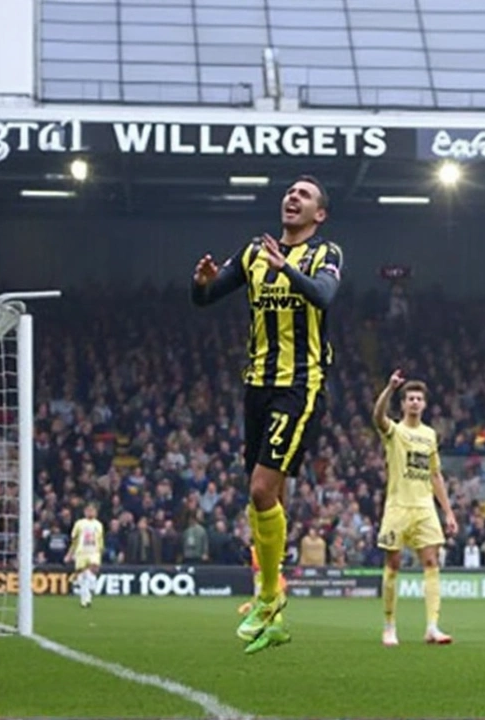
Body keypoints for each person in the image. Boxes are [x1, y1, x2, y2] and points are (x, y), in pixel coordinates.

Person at [191, 175, 343, 655]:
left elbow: (323, 296)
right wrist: (201, 284)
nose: (292, 197)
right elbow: (208, 298)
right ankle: (275, 617)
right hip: (255, 385)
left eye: (304, 195)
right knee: (265, 494)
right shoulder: (255, 252)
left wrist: (286, 269)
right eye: (290, 192)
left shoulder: (326, 254)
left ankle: (268, 596)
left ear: (319, 215)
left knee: (260, 488)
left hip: (300, 384)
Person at [373, 370, 458, 647]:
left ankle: (432, 627)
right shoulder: (395, 431)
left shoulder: (430, 435)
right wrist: (389, 388)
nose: (414, 402)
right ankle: (389, 626)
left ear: (424, 404)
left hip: (424, 508)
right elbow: (377, 418)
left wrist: (448, 512)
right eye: (409, 398)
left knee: (432, 562)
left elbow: (435, 476)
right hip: (398, 506)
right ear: (403, 403)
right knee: (393, 564)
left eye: (418, 398)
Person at [66, 504, 104, 608]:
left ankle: (91, 589)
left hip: (94, 552)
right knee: (83, 577)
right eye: (88, 510)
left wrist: (100, 551)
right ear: (85, 512)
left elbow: (100, 540)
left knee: (92, 571)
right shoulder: (79, 524)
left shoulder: (99, 525)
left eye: (93, 510)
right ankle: (85, 600)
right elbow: (74, 540)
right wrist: (70, 553)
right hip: (81, 552)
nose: (91, 512)